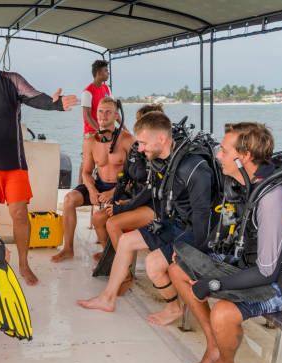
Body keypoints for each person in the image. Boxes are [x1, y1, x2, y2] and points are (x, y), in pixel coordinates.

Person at [169, 122, 282, 363]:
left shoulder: (272, 196)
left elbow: (267, 272)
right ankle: (214, 344)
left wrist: (214, 284)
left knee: (224, 312)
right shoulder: (247, 182)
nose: (218, 156)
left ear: (244, 156)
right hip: (251, 262)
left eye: (224, 150)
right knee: (178, 267)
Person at [0, 37, 78, 285]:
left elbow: (36, 97)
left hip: (14, 164)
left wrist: (56, 105)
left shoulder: (12, 80)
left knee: (20, 214)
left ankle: (23, 264)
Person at [77, 112, 214, 326]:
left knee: (152, 263)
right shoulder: (163, 160)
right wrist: (124, 206)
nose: (139, 149)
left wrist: (194, 255)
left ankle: (173, 307)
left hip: (193, 231)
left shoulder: (194, 168)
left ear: (161, 138)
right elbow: (152, 192)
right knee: (125, 241)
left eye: (142, 143)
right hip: (174, 222)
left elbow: (203, 220)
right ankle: (107, 298)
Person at [51, 98, 134, 263]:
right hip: (99, 184)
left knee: (101, 218)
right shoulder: (90, 142)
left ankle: (107, 252)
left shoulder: (127, 140)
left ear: (116, 115)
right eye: (101, 111)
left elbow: (134, 176)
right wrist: (92, 190)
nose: (103, 115)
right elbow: (87, 172)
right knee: (69, 200)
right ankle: (68, 249)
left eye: (108, 112)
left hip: (121, 187)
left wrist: (113, 192)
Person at [91, 103, 164, 260]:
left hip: (154, 205)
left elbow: (150, 190)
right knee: (98, 218)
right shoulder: (136, 148)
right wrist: (116, 200)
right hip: (134, 199)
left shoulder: (160, 153)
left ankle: (124, 270)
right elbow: (124, 178)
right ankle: (110, 256)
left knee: (113, 222)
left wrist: (126, 206)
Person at [79, 60, 111, 184]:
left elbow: (113, 109)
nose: (108, 73)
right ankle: (81, 188)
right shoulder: (87, 92)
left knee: (104, 161)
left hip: (105, 131)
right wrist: (99, 130)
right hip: (91, 132)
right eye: (105, 71)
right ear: (98, 73)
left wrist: (123, 127)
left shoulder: (106, 88)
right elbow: (87, 115)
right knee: (87, 164)